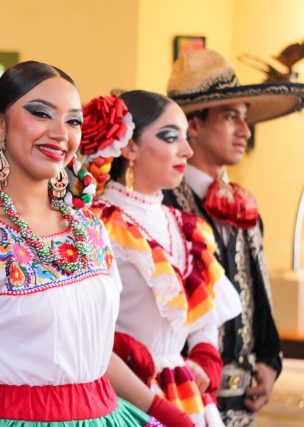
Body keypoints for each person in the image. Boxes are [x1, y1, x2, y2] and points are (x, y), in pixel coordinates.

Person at [0, 62, 193, 427]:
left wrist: (163, 411)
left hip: (104, 416)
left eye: (73, 121)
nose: (60, 133)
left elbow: (92, 354)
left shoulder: (89, 228)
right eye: (41, 114)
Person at [82, 91, 242, 426]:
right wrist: (122, 349)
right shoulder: (96, 224)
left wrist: (204, 356)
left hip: (183, 392)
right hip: (119, 393)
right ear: (130, 147)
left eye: (186, 137)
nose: (187, 150)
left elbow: (204, 315)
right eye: (170, 137)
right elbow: (82, 325)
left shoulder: (187, 228)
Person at [163, 49, 304, 425]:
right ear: (193, 125)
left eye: (245, 118)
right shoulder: (162, 206)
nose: (245, 130)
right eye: (230, 117)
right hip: (181, 402)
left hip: (242, 403)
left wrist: (270, 360)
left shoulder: (244, 207)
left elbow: (257, 290)